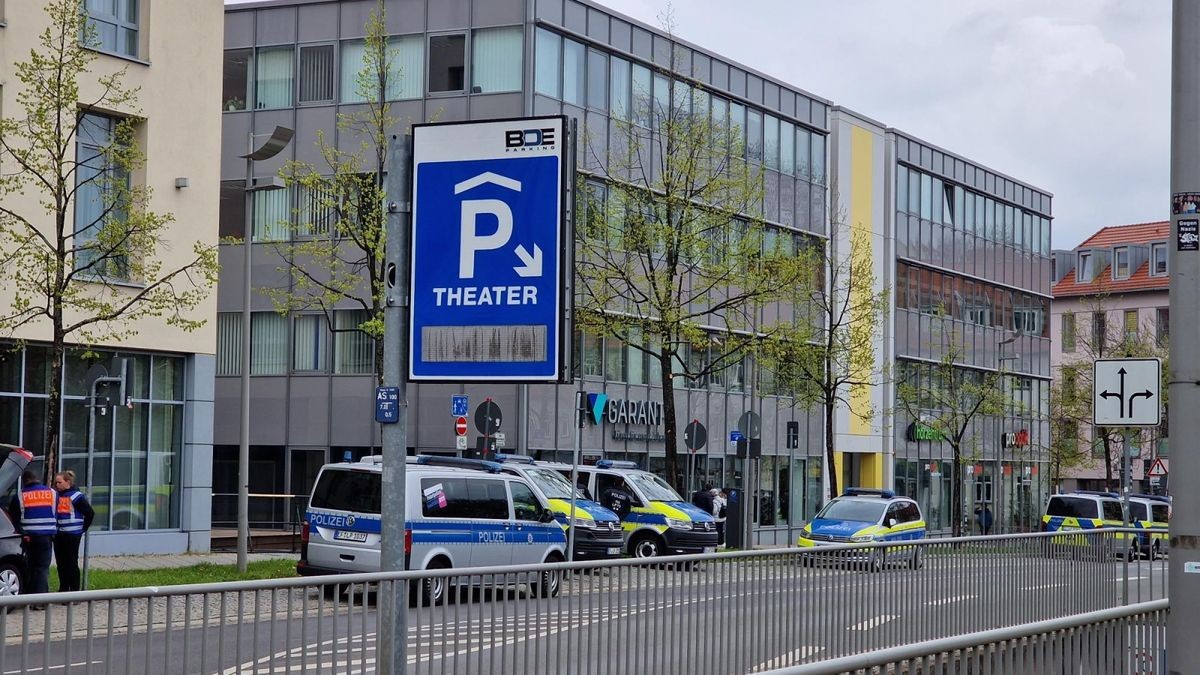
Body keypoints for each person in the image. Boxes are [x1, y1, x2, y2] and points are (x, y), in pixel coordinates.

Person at [6, 470, 56, 597]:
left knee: (30, 567)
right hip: (46, 536)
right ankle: (41, 599)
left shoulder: (20, 495)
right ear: (36, 478)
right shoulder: (52, 493)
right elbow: (57, 512)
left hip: (28, 537)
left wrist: (22, 532)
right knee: (42, 568)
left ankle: (30, 597)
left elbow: (14, 518)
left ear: (24, 481)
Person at [52, 470, 94, 593]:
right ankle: (63, 589)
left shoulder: (76, 497)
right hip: (59, 534)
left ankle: (74, 591)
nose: (56, 485)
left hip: (72, 535)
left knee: (71, 563)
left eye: (59, 482)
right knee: (61, 564)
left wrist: (83, 529)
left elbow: (90, 513)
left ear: (68, 482)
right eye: (56, 483)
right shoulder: (56, 496)